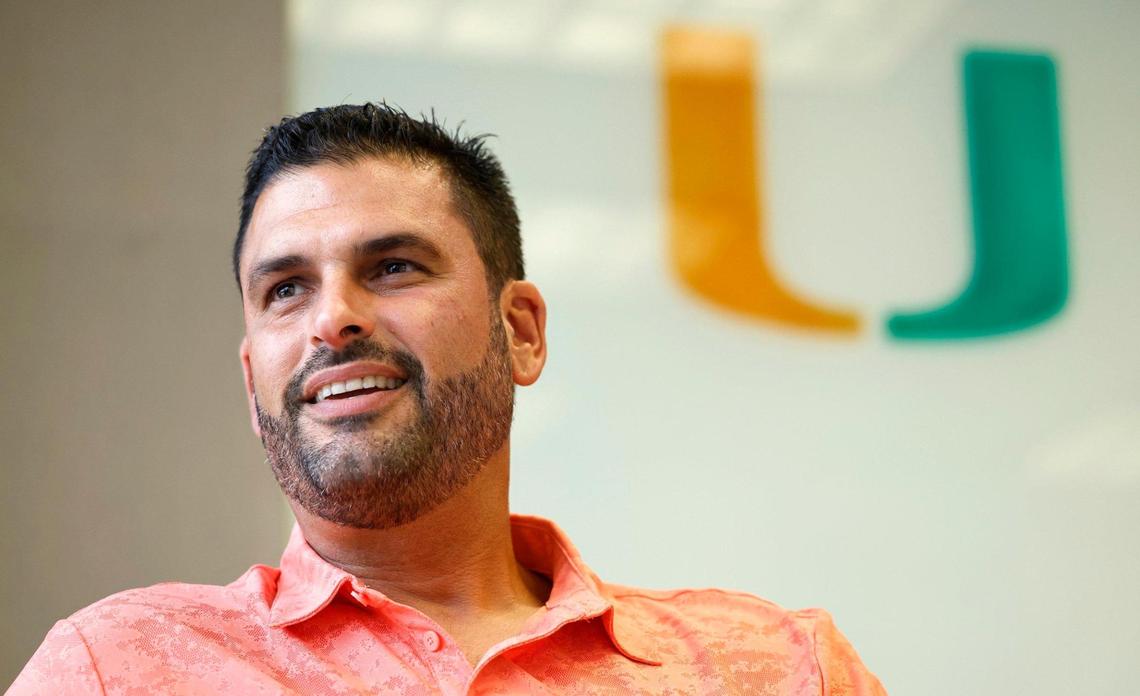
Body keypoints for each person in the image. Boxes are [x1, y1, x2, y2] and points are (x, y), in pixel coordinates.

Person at [10, 103, 886, 695]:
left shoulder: (780, 669)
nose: (334, 320)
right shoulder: (115, 671)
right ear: (253, 382)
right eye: (285, 288)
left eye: (393, 267)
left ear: (523, 332)